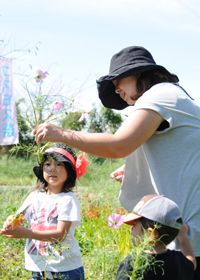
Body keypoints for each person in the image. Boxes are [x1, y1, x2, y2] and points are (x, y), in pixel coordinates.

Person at [32, 46, 200, 278]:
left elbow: (119, 145)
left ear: (140, 73)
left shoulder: (161, 93)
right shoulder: (171, 97)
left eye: (119, 80)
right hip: (180, 232)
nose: (117, 89)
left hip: (186, 232)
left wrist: (61, 133)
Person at [1, 143, 89, 280]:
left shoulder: (68, 199)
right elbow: (19, 216)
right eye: (48, 164)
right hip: (39, 267)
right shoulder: (34, 196)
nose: (53, 169)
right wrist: (10, 222)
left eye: (59, 164)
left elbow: (60, 234)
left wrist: (26, 233)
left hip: (65, 268)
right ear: (42, 169)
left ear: (70, 172)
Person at [115, 194, 196, 280]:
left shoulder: (132, 264)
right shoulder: (179, 261)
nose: (131, 228)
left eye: (135, 225)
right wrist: (183, 236)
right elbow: (192, 263)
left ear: (151, 234)